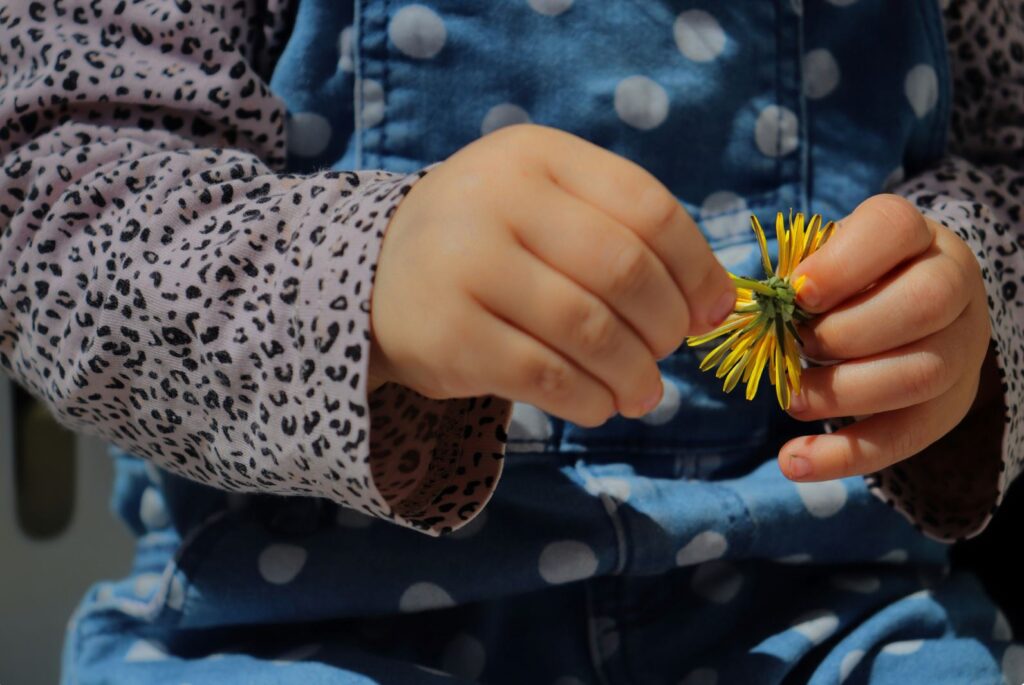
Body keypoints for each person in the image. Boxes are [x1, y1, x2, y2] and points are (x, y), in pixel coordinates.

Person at [1, 0, 1021, 682]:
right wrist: (360, 278)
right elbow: (49, 205)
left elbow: (1007, 149)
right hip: (293, 628)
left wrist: (965, 302)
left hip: (829, 619)